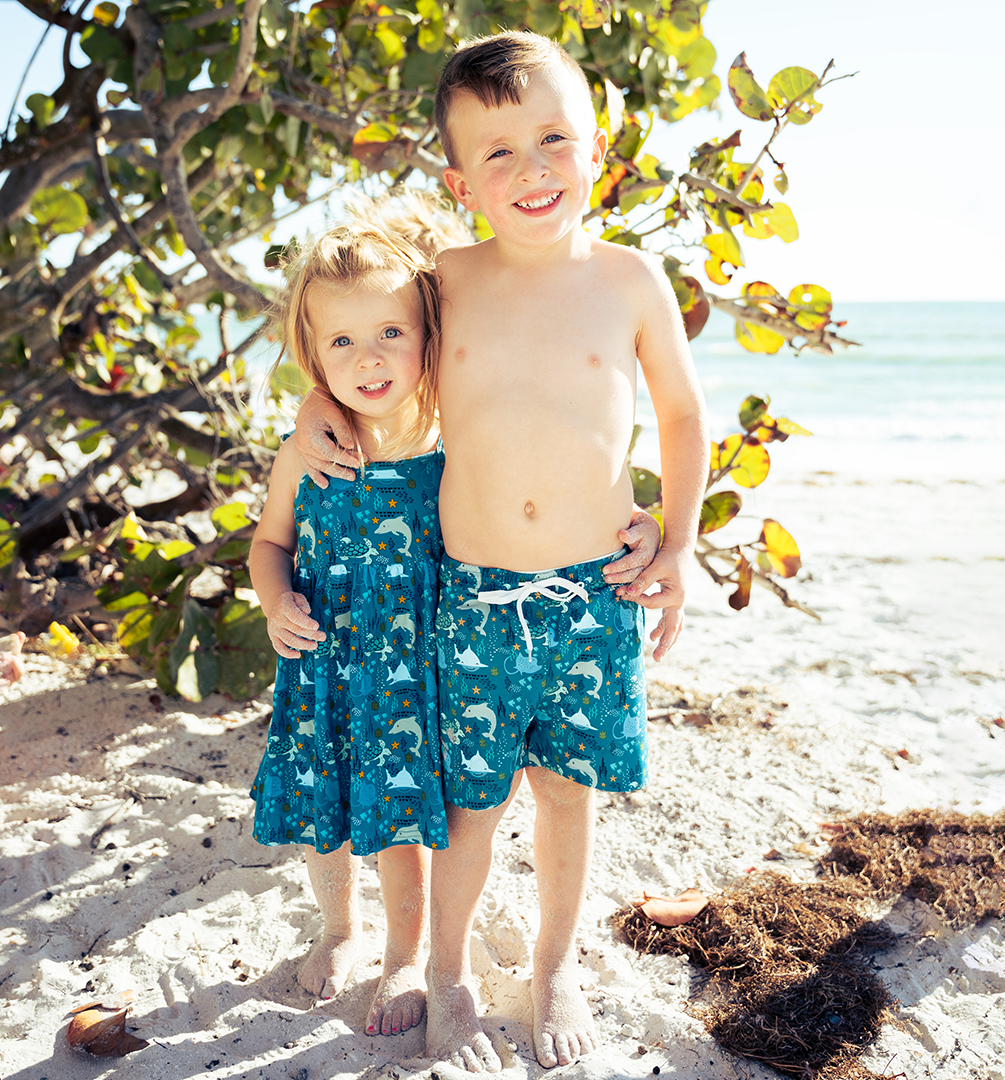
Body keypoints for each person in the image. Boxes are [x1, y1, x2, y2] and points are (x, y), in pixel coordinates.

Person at [295, 30, 709, 1073]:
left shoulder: (629, 280)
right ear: (458, 179)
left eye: (553, 139)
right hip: (471, 595)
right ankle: (449, 968)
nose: (532, 170)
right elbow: (361, 342)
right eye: (498, 152)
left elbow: (682, 422)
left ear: (598, 144)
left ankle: (558, 960)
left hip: (591, 595)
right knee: (472, 803)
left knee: (570, 793)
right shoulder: (446, 280)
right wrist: (310, 408)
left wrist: (679, 542)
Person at [248, 212, 453, 1040]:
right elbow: (270, 542)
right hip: (325, 660)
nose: (368, 360)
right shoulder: (307, 448)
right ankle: (339, 926)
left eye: (390, 332)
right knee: (323, 808)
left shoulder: (451, 439)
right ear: (311, 353)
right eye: (341, 343)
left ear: (427, 333)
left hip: (410, 666)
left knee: (401, 814)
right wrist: (273, 603)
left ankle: (405, 952)